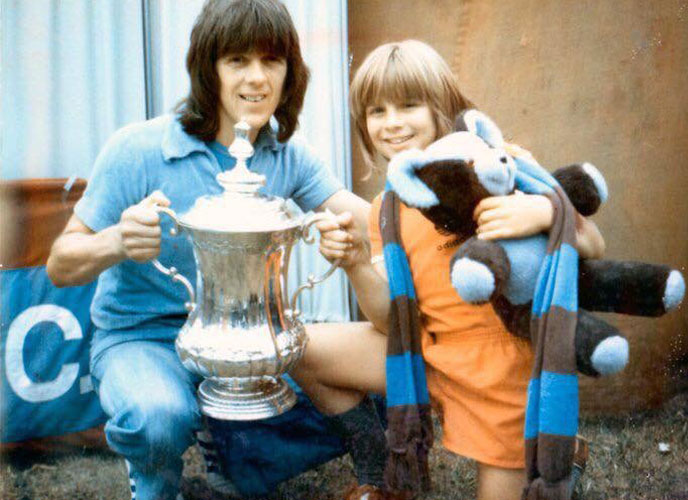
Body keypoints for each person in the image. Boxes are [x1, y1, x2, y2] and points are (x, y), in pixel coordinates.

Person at [45, 1, 380, 499]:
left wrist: (442, 192)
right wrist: (115, 241)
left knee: (313, 399)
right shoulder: (138, 149)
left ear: (291, 74)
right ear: (209, 70)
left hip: (242, 337)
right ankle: (157, 476)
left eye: (272, 61)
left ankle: (234, 452)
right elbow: (60, 264)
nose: (257, 78)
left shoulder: (287, 154)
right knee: (159, 419)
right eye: (237, 61)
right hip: (144, 338)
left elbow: (371, 221)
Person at [294, 40, 604, 500]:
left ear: (443, 108)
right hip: (426, 358)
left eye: (408, 105)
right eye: (376, 111)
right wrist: (356, 263)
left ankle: (564, 454)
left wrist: (542, 213)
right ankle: (379, 476)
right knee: (299, 347)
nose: (392, 122)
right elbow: (390, 321)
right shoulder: (388, 208)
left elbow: (595, 245)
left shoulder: (499, 163)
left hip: (499, 371)